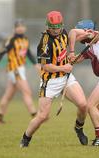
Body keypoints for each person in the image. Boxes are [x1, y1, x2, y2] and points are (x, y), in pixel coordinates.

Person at [20, 11, 88, 147]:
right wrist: (64, 68)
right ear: (47, 26)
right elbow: (45, 66)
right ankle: (26, 138)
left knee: (83, 105)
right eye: (53, 27)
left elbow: (72, 36)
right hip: (49, 81)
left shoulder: (63, 32)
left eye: (58, 27)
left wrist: (77, 47)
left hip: (66, 77)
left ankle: (79, 128)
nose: (56, 30)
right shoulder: (45, 43)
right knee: (42, 116)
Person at [0, 19, 39, 123]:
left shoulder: (25, 39)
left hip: (20, 68)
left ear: (25, 28)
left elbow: (28, 53)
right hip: (14, 69)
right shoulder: (11, 40)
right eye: (17, 26)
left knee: (8, 95)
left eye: (22, 26)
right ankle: (35, 116)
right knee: (27, 91)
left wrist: (35, 64)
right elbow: (1, 53)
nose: (20, 28)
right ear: (14, 29)